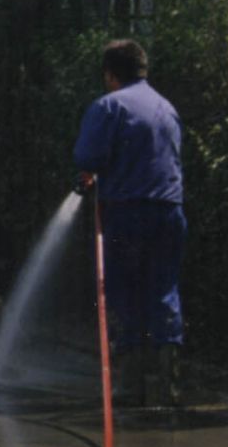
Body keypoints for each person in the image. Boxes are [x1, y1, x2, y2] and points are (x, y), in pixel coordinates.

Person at [74, 39, 184, 407]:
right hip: (169, 212)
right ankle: (166, 385)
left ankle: (131, 383)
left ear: (110, 74)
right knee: (162, 290)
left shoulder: (109, 106)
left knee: (122, 292)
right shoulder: (167, 108)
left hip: (126, 212)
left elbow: (89, 155)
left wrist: (88, 173)